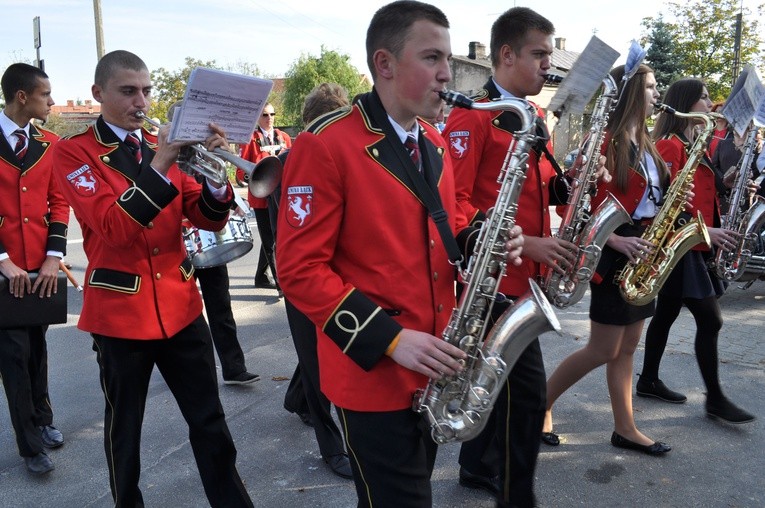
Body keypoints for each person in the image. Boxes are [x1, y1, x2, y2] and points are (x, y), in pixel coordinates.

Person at [276, 3, 523, 506]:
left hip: (434, 359)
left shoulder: (432, 140)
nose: (447, 73)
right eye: (432, 57)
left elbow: (444, 223)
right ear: (385, 64)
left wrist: (485, 235)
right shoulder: (326, 144)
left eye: (448, 59)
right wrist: (389, 340)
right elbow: (298, 270)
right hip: (373, 369)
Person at [52, 50, 253, 507]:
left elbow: (206, 218)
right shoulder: (75, 153)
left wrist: (221, 179)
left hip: (181, 309)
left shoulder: (160, 146)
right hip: (120, 317)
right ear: (98, 94)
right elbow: (115, 228)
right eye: (128, 91)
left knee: (211, 424)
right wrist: (161, 162)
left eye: (146, 90)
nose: (141, 101)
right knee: (126, 431)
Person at [441, 8, 610, 506]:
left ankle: (475, 467)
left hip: (526, 278)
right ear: (507, 55)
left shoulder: (531, 115)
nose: (546, 65)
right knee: (527, 397)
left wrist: (574, 179)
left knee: (503, 390)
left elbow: (538, 187)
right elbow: (455, 202)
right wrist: (525, 242)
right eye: (538, 54)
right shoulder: (472, 114)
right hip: (495, 281)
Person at [541, 64, 672, 457]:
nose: (655, 93)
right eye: (649, 87)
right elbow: (576, 210)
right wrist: (614, 239)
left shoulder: (646, 142)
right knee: (602, 348)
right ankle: (540, 405)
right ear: (632, 91)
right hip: (614, 249)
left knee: (629, 346)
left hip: (643, 248)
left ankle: (625, 427)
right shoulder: (605, 141)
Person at [637, 77, 756, 424]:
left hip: (693, 243)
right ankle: (715, 398)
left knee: (667, 313)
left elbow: (702, 188)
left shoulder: (694, 145)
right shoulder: (670, 146)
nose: (709, 103)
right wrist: (708, 231)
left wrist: (729, 181)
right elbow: (665, 204)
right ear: (687, 104)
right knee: (711, 319)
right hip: (682, 242)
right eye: (703, 97)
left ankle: (648, 379)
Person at [272, 82, 353, 479]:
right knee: (317, 360)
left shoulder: (349, 153)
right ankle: (331, 447)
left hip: (340, 274)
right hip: (305, 274)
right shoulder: (289, 160)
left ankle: (295, 399)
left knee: (319, 349)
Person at [0, 63, 68, 475]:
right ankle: (30, 446)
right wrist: (3, 261)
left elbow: (59, 203)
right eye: (45, 94)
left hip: (40, 268)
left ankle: (42, 421)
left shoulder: (52, 143)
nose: (52, 101)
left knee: (38, 349)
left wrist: (53, 257)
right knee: (13, 355)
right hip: (4, 269)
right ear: (22, 96)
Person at [240, 102, 291, 291]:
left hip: (281, 196)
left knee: (276, 236)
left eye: (272, 114)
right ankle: (281, 284)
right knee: (270, 240)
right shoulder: (251, 139)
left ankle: (261, 276)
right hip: (261, 198)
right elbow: (241, 172)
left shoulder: (284, 137)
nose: (269, 118)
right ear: (258, 118)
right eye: (264, 115)